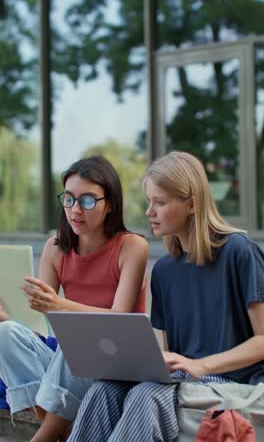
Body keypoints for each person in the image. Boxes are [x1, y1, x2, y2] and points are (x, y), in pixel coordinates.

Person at [67, 151, 264, 442]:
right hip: (190, 381)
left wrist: (201, 365)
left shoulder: (239, 251)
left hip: (240, 384)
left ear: (192, 204)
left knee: (148, 395)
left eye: (159, 203)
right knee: (103, 390)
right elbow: (172, 354)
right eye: (149, 202)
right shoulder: (164, 271)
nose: (149, 212)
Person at [0, 155, 149, 442]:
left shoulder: (133, 247)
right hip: (70, 364)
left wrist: (60, 305)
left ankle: (44, 437)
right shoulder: (55, 248)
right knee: (5, 334)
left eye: (88, 201)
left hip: (118, 362)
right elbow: (40, 322)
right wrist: (9, 318)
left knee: (80, 339)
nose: (75, 210)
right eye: (68, 199)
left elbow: (120, 320)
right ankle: (63, 427)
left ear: (110, 205)